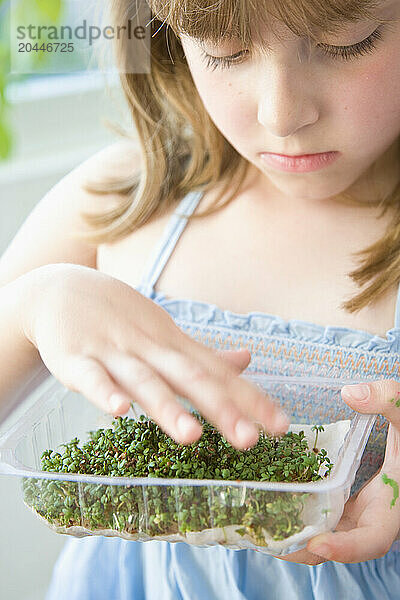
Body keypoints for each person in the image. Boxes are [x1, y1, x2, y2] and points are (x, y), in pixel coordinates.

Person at [1, 0, 400, 598]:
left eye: (348, 44)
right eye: (225, 50)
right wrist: (33, 305)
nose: (283, 114)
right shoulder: (119, 203)